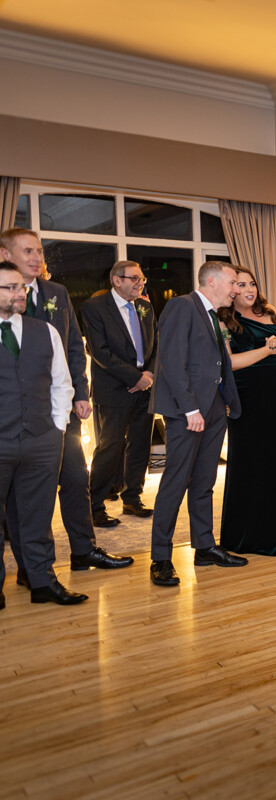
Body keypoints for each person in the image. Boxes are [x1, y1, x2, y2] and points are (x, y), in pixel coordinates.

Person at [0, 228, 133, 588]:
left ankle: (83, 550)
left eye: (40, 251)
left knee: (75, 479)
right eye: (27, 251)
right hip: (15, 415)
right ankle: (31, 567)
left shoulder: (56, 293)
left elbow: (75, 346)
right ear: (6, 254)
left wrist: (81, 394)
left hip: (59, 409)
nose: (36, 258)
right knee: (23, 495)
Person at [148, 261, 249, 586]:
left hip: (214, 409)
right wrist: (190, 409)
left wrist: (225, 401)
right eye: (233, 282)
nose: (237, 289)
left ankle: (204, 547)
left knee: (204, 482)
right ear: (212, 281)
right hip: (188, 413)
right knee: (175, 483)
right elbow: (172, 362)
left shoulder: (211, 315)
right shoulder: (182, 306)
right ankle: (161, 557)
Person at [0, 260, 87, 606]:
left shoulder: (44, 331)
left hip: (42, 440)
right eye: (10, 287)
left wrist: (56, 428)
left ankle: (41, 581)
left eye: (20, 287)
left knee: (37, 516)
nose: (20, 292)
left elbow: (62, 384)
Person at [217, 268, 276, 556]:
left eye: (252, 283)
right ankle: (250, 534)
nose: (249, 289)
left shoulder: (269, 311)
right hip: (248, 396)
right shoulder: (224, 318)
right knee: (251, 459)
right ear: (232, 289)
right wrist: (266, 351)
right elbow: (228, 363)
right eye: (241, 284)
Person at [81, 260, 158, 525]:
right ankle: (94, 505)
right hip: (114, 389)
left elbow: (156, 345)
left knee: (140, 446)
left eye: (142, 279)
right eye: (135, 279)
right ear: (117, 280)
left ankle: (132, 500)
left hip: (144, 389)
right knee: (110, 447)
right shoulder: (94, 308)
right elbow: (100, 352)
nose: (140, 283)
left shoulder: (145, 306)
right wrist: (136, 377)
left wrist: (148, 376)